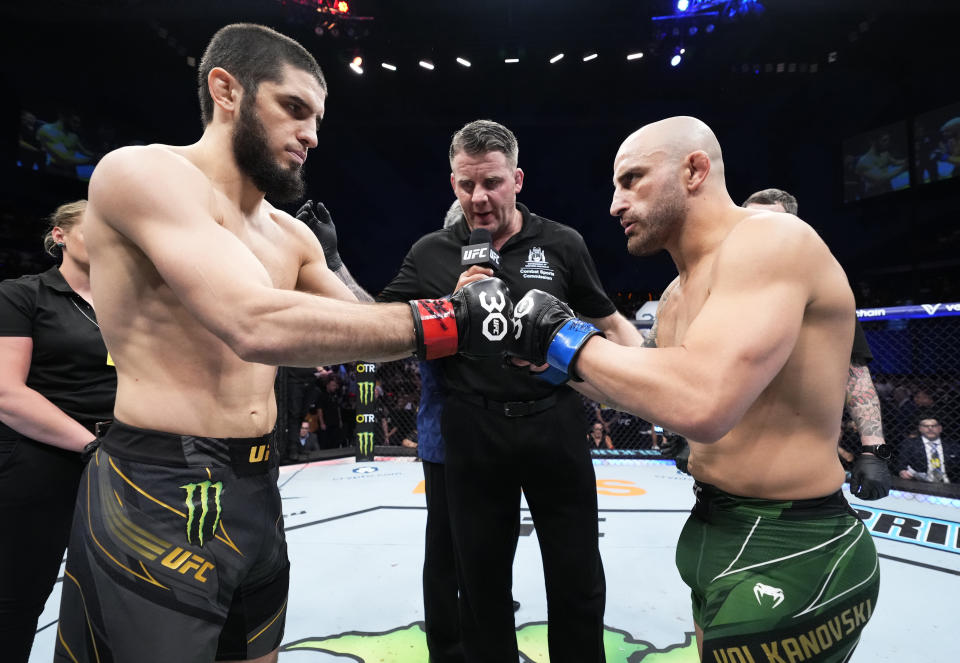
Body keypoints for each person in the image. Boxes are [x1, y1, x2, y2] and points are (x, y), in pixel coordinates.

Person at [55, 24, 512, 663]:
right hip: (156, 488)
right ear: (227, 90)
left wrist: (486, 312)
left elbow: (366, 329)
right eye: (294, 108)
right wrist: (449, 318)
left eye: (318, 118)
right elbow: (254, 323)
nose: (312, 135)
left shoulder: (290, 236)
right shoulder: (142, 172)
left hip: (259, 487)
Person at [508, 116, 889, 662]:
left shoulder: (770, 238)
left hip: (795, 546)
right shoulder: (673, 296)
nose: (615, 205)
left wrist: (562, 337)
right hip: (714, 524)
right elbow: (647, 388)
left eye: (632, 179)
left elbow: (702, 404)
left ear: (694, 170)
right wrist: (548, 362)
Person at [378, 119, 644, 663]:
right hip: (472, 430)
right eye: (466, 185)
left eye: (492, 182)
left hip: (555, 420)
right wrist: (443, 310)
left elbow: (613, 327)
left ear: (517, 179)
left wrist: (613, 369)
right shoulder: (432, 252)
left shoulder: (562, 242)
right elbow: (375, 330)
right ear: (452, 183)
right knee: (479, 586)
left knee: (576, 574)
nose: (479, 198)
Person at [0, 200, 116, 663]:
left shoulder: (130, 302)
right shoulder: (23, 294)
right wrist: (92, 445)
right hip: (42, 457)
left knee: (121, 599)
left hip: (122, 459)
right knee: (17, 597)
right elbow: (6, 393)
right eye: (97, 226)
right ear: (60, 234)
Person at [741, 188, 892, 483]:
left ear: (796, 230)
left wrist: (874, 451)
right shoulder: (718, 284)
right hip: (729, 455)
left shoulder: (825, 288)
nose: (760, 229)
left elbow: (855, 375)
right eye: (750, 220)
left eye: (772, 222)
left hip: (804, 456)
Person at [896, 417, 960, 483]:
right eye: (926, 426)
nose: (930, 428)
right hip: (920, 483)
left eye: (934, 426)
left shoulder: (953, 446)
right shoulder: (910, 444)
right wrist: (902, 471)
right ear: (920, 429)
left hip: (950, 484)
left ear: (940, 428)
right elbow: (902, 465)